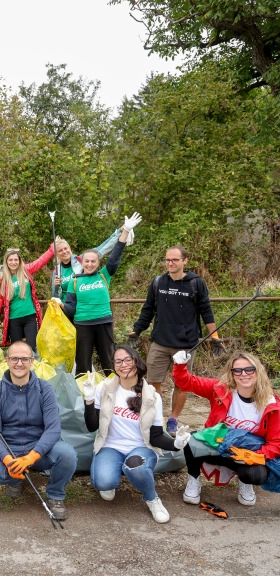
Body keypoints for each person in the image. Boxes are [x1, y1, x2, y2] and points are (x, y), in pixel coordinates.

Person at [83, 345, 189, 524]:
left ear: (137, 362)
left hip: (142, 448)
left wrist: (175, 444)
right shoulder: (105, 388)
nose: (123, 364)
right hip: (110, 446)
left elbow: (155, 436)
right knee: (103, 482)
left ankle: (151, 498)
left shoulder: (152, 396)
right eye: (118, 361)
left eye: (127, 360)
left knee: (135, 466)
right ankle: (110, 476)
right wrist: (89, 400)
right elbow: (91, 426)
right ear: (114, 366)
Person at [127, 246, 222, 433]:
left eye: (175, 260)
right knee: (153, 382)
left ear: (185, 261)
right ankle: (157, 416)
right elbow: (148, 309)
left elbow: (206, 310)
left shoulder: (196, 283)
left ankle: (173, 419)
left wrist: (214, 336)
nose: (170, 263)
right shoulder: (158, 283)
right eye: (168, 260)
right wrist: (136, 331)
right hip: (160, 342)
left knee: (182, 384)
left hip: (186, 345)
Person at [0, 341, 77, 520]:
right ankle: (15, 478)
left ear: (32, 361)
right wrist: (9, 460)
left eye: (24, 359)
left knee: (67, 454)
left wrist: (32, 456)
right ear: (7, 360)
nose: (19, 363)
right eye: (14, 358)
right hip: (10, 447)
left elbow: (53, 429)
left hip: (38, 448)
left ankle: (55, 495)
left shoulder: (44, 389)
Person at [172, 350, 280, 508]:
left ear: (258, 371)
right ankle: (194, 480)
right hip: (218, 446)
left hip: (245, 454)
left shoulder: (271, 404)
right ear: (232, 373)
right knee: (191, 441)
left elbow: (276, 442)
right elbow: (187, 382)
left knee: (255, 474)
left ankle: (245, 482)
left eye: (249, 369)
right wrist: (180, 365)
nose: (244, 374)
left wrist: (255, 456)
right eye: (237, 370)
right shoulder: (219, 389)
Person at [61, 213, 142, 375]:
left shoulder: (104, 275)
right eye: (87, 261)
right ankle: (85, 396)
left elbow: (115, 256)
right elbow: (71, 308)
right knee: (82, 363)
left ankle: (114, 393)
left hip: (103, 324)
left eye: (93, 261)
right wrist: (60, 304)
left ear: (98, 263)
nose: (90, 264)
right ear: (81, 263)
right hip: (83, 326)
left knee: (109, 360)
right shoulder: (74, 281)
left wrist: (125, 231)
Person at [0, 242, 55, 351]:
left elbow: (40, 262)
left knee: (31, 349)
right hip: (13, 320)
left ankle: (32, 368)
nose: (13, 262)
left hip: (30, 317)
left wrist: (52, 249)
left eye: (16, 260)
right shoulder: (1, 279)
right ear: (6, 262)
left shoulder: (26, 271)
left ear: (19, 260)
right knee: (17, 351)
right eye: (10, 260)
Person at [51, 224, 128, 300]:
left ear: (69, 248)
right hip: (67, 308)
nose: (64, 252)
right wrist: (56, 286)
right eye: (60, 250)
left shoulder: (82, 259)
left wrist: (119, 231)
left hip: (84, 303)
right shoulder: (57, 271)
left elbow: (104, 247)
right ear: (56, 254)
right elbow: (56, 297)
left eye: (65, 248)